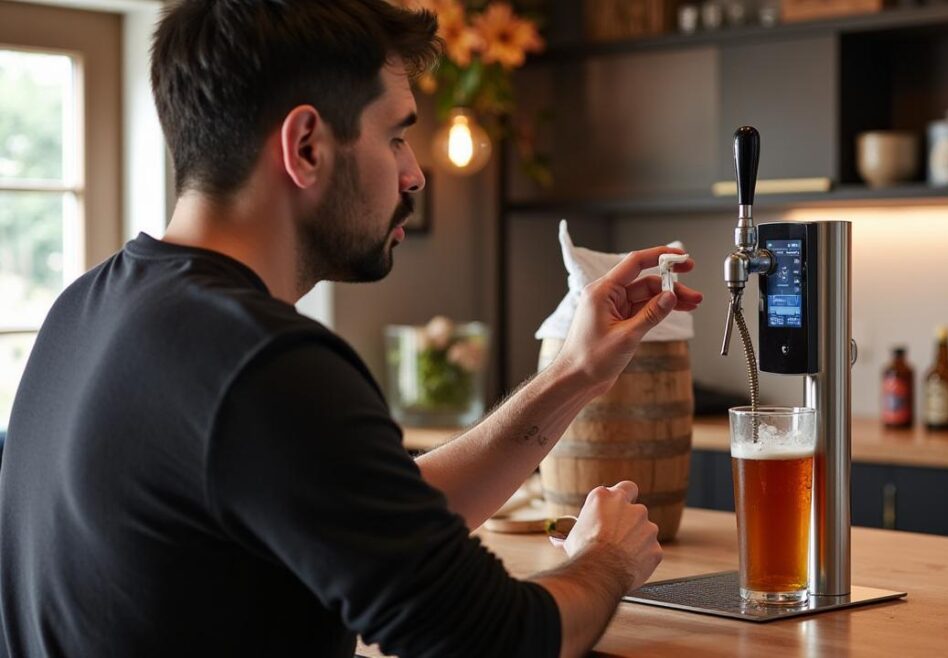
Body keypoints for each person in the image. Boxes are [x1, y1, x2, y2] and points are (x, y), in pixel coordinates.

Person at [0, 1, 704, 657]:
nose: (414, 174)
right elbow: (497, 639)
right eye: (396, 136)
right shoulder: (264, 363)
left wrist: (574, 373)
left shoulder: (88, 308)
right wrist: (606, 558)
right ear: (306, 145)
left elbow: (364, 508)